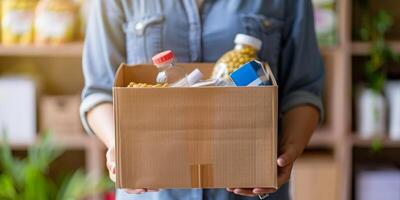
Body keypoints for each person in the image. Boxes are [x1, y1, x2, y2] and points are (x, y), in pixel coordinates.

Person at [80, 0, 324, 199]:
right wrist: (120, 148)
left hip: (248, 181)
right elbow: (99, 92)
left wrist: (289, 149)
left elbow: (304, 89)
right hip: (152, 189)